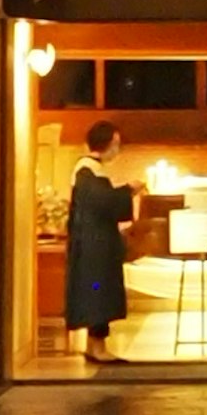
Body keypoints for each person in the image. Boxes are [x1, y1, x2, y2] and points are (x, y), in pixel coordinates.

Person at [60, 125, 132, 369]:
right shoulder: (87, 171)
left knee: (98, 290)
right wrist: (129, 190)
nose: (117, 149)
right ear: (108, 143)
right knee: (98, 290)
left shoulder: (90, 171)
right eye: (116, 143)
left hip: (96, 244)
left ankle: (94, 345)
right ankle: (97, 347)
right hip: (95, 247)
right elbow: (104, 203)